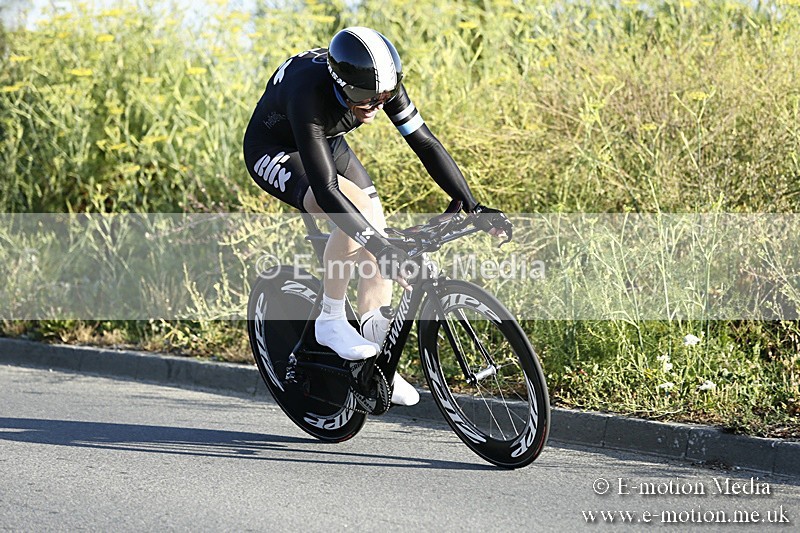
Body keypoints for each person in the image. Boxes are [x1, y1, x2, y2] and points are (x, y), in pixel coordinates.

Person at [243, 26, 510, 406]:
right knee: (359, 213)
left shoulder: (379, 84)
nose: (377, 106)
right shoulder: (309, 93)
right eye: (366, 99)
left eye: (384, 97)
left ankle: (373, 342)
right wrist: (382, 249)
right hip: (275, 148)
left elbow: (425, 143)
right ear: (340, 83)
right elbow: (328, 193)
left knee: (374, 220)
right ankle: (331, 319)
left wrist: (471, 203)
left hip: (327, 142)